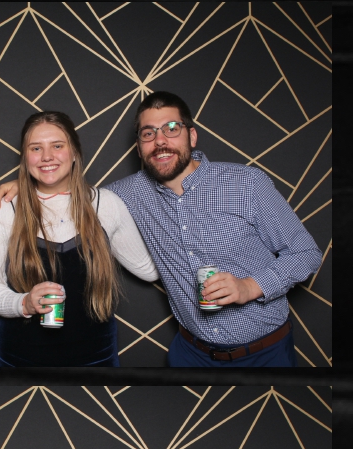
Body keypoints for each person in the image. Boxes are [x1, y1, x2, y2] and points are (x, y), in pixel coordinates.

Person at [104, 90, 323, 367]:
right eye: (148, 133)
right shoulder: (128, 194)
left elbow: (306, 253)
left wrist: (250, 286)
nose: (160, 141)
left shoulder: (247, 183)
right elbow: (78, 203)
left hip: (265, 354)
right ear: (139, 148)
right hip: (190, 355)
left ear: (192, 136)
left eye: (172, 128)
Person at [0, 109, 158, 367]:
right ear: (25, 158)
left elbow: (148, 269)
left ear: (74, 152)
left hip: (96, 359)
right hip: (20, 361)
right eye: (36, 148)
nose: (47, 156)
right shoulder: (3, 210)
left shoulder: (106, 204)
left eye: (57, 146)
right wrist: (24, 303)